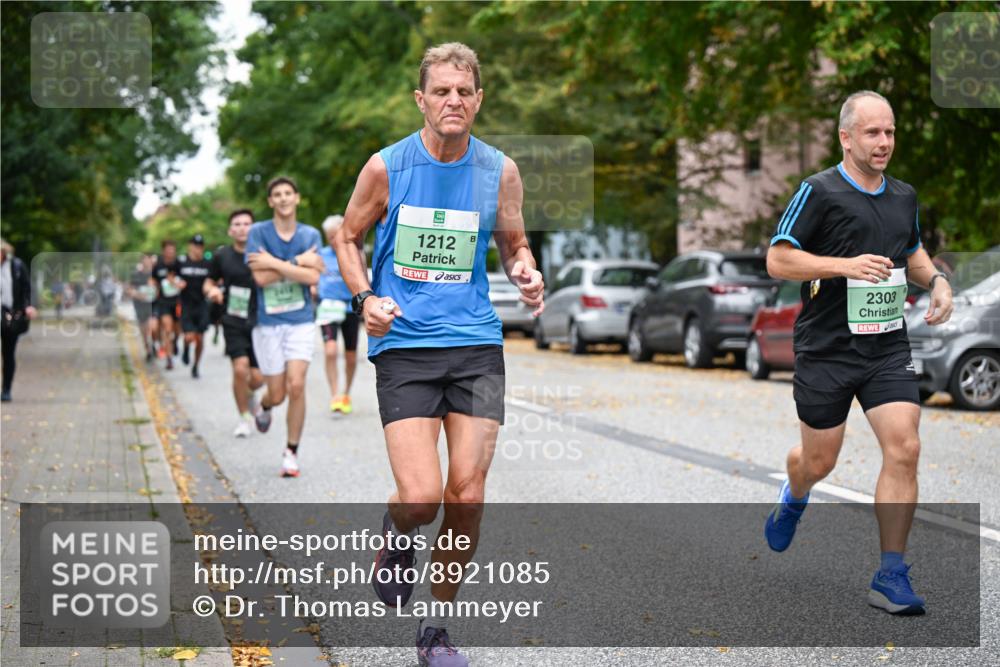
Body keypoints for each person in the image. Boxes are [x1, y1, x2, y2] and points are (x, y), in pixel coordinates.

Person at [334, 42, 544, 665]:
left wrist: (526, 271)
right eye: (442, 91)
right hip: (404, 346)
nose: (454, 100)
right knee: (423, 497)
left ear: (479, 100)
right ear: (420, 99)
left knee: (469, 495)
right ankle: (398, 533)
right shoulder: (386, 167)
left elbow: (514, 243)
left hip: (477, 344)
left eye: (465, 91)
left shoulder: (499, 170)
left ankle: (435, 629)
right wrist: (364, 297)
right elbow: (347, 237)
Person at [765, 91, 954, 616]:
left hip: (886, 347)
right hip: (827, 350)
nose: (884, 142)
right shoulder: (818, 192)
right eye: (872, 133)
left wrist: (936, 280)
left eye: (890, 132)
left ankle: (890, 573)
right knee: (818, 461)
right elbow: (779, 261)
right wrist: (842, 266)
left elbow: (910, 250)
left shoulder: (903, 195)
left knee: (905, 447)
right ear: (845, 138)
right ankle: (795, 491)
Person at [245, 177, 324, 477]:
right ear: (270, 201)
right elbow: (261, 279)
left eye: (287, 193)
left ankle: (291, 451)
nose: (282, 198)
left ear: (297, 198)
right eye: (276, 194)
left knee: (297, 385)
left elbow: (314, 278)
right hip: (268, 324)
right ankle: (264, 406)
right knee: (277, 393)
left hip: (300, 320)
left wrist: (275, 263)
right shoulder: (258, 232)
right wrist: (296, 264)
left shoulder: (310, 234)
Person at [205, 209, 265, 437]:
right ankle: (244, 418)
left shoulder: (262, 253)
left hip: (260, 320)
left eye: (247, 223)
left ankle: (250, 396)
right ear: (231, 230)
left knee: (258, 378)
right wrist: (212, 291)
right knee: (240, 370)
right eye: (237, 224)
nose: (242, 228)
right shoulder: (222, 256)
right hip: (233, 317)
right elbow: (208, 282)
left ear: (253, 227)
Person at [317, 215, 359, 415]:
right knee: (331, 350)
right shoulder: (320, 255)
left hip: (350, 309)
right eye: (331, 236)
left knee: (350, 356)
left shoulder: (355, 253)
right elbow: (312, 277)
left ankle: (346, 393)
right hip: (328, 308)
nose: (335, 240)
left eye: (338, 235)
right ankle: (334, 395)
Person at [1, 239, 37, 402]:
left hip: (12, 315)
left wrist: (28, 306)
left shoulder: (16, 266)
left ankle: (6, 389)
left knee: (8, 353)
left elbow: (26, 288)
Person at [176, 235, 213, 378]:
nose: (197, 248)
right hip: (186, 305)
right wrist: (177, 284)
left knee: (200, 338)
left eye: (200, 246)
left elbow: (214, 280)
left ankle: (196, 365)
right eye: (194, 245)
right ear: (189, 246)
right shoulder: (182, 262)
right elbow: (172, 276)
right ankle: (185, 348)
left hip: (202, 305)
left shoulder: (207, 264)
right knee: (189, 336)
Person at [151, 240, 181, 370]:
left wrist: (174, 282)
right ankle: (169, 358)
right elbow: (153, 279)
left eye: (172, 250)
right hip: (164, 302)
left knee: (177, 329)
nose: (170, 252)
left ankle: (175, 341)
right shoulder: (158, 265)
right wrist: (152, 286)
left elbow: (185, 282)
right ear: (163, 251)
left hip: (178, 301)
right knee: (167, 329)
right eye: (168, 250)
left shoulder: (179, 264)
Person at [128, 254, 158, 361]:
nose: (147, 262)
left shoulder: (155, 274)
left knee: (153, 327)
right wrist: (139, 295)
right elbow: (130, 290)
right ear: (141, 261)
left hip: (153, 305)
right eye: (145, 259)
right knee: (144, 331)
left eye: (149, 259)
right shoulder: (136, 275)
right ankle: (148, 350)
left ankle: (154, 343)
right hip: (140, 306)